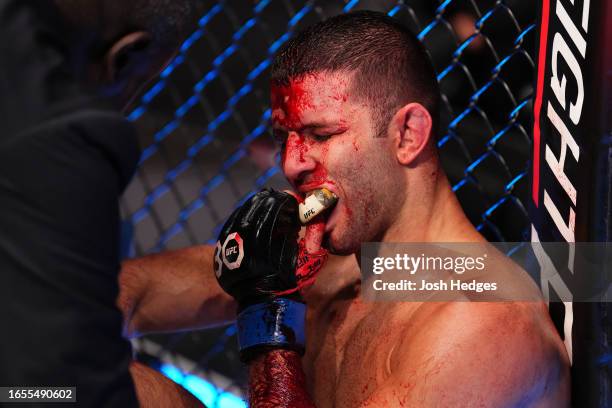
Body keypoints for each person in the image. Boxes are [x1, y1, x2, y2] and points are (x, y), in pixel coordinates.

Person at [122, 10, 571, 407]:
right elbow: (134, 291)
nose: (291, 163)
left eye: (320, 134)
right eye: (285, 139)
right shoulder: (326, 266)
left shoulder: (481, 328)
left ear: (408, 135)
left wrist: (268, 318)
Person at [0, 0, 204, 405]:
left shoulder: (366, 263)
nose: (294, 160)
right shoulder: (54, 134)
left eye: (322, 134)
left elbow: (125, 291)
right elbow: (43, 395)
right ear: (126, 55)